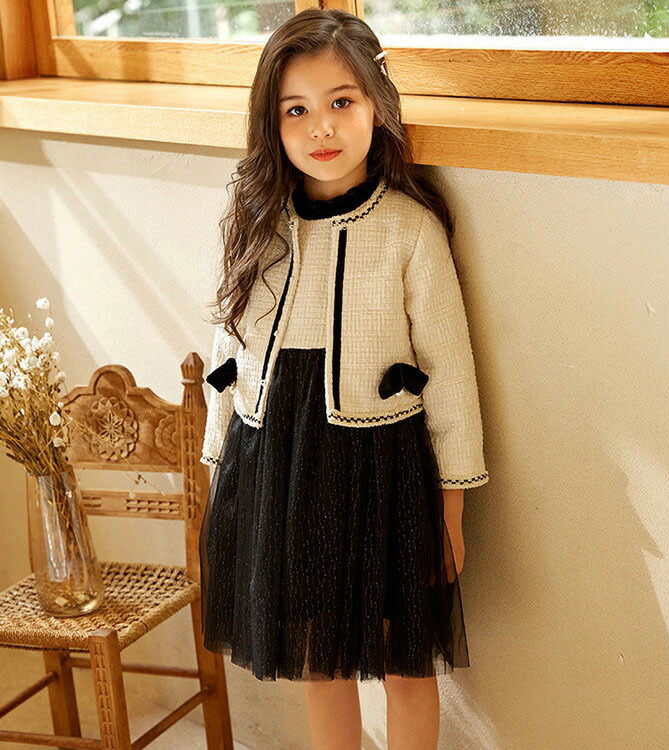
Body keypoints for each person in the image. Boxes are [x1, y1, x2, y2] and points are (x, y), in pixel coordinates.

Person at [197, 8, 489, 749]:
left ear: (377, 108)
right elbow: (229, 354)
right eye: (295, 110)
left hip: (382, 471)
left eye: (341, 101)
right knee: (317, 662)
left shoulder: (409, 230)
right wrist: (220, 471)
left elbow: (451, 376)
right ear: (272, 124)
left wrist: (451, 512)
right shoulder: (258, 227)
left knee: (404, 664)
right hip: (280, 468)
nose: (320, 127)